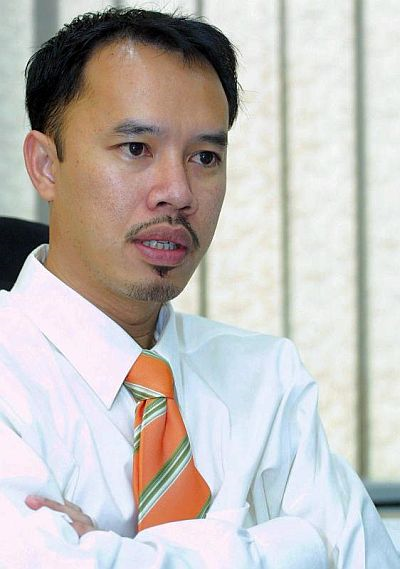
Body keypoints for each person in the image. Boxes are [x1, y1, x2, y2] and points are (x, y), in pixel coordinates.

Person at [0, 7, 397, 568]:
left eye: (205, 157)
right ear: (45, 165)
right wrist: (296, 548)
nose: (178, 191)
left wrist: (113, 555)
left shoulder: (266, 378)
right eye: (136, 149)